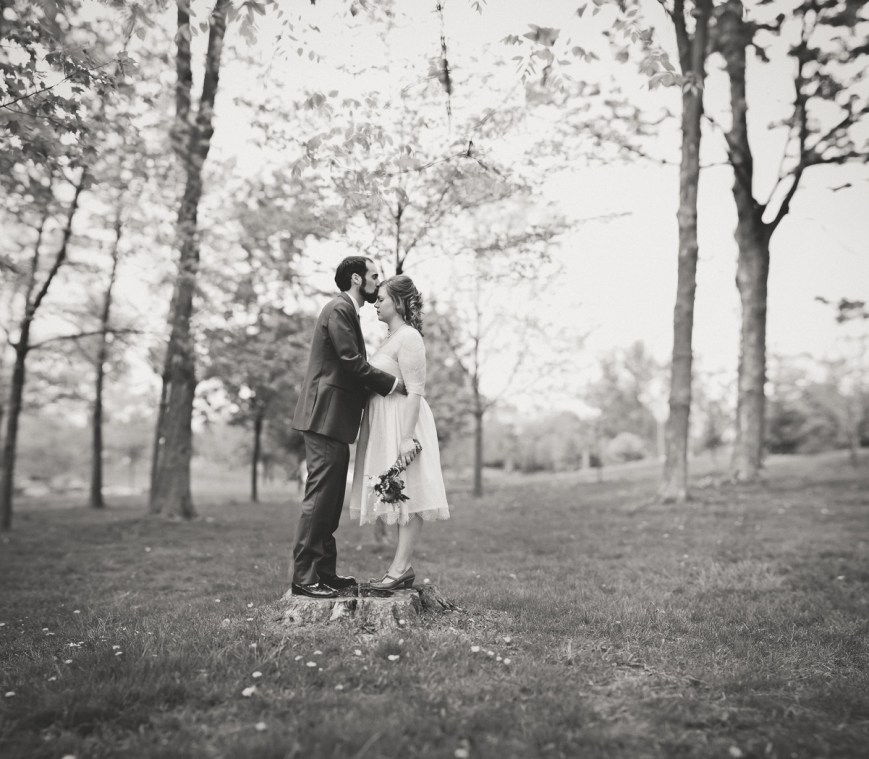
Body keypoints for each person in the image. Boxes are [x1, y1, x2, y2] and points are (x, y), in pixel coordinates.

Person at [290, 257, 406, 599]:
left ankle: (324, 572)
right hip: (323, 417)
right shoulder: (339, 308)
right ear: (357, 278)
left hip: (334, 421)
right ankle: (304, 576)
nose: (377, 282)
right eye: (373, 276)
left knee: (329, 500)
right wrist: (392, 384)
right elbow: (351, 363)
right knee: (319, 499)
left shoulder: (346, 311)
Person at [349, 274, 450, 591]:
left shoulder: (410, 338)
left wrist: (407, 437)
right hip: (384, 423)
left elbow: (416, 391)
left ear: (400, 302)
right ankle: (399, 567)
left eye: (382, 298)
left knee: (409, 493)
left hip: (404, 423)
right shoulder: (389, 339)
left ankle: (401, 568)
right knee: (393, 493)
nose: (375, 303)